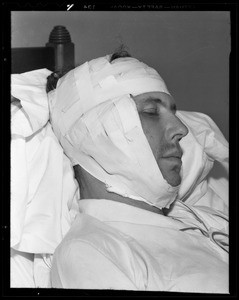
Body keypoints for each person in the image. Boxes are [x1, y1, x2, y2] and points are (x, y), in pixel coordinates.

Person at [47, 49, 228, 292]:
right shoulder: (94, 252)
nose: (182, 129)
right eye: (151, 112)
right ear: (94, 136)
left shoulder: (197, 217)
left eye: (172, 112)